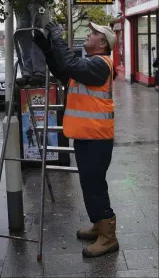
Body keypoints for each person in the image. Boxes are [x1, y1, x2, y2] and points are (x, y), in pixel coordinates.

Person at [33, 21, 119, 258]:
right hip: (86, 135)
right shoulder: (87, 67)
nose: (87, 35)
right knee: (89, 185)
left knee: (95, 186)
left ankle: (109, 237)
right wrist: (48, 50)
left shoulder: (100, 65)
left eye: (92, 34)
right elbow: (64, 70)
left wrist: (58, 36)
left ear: (102, 43)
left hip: (97, 138)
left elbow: (69, 63)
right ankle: (98, 226)